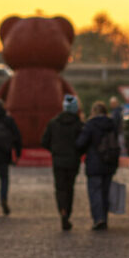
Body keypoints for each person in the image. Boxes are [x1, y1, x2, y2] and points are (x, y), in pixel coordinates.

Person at [76, 98, 120, 231]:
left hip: (94, 163)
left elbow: (80, 143)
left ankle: (98, 218)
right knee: (105, 192)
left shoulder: (90, 124)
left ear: (94, 111)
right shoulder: (112, 124)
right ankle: (105, 218)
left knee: (95, 191)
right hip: (109, 163)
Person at [41, 93, 83, 231]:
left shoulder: (54, 123)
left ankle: (62, 211)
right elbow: (83, 143)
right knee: (70, 188)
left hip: (58, 160)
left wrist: (54, 150)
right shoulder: (78, 124)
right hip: (72, 161)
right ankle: (68, 213)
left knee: (60, 189)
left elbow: (44, 141)